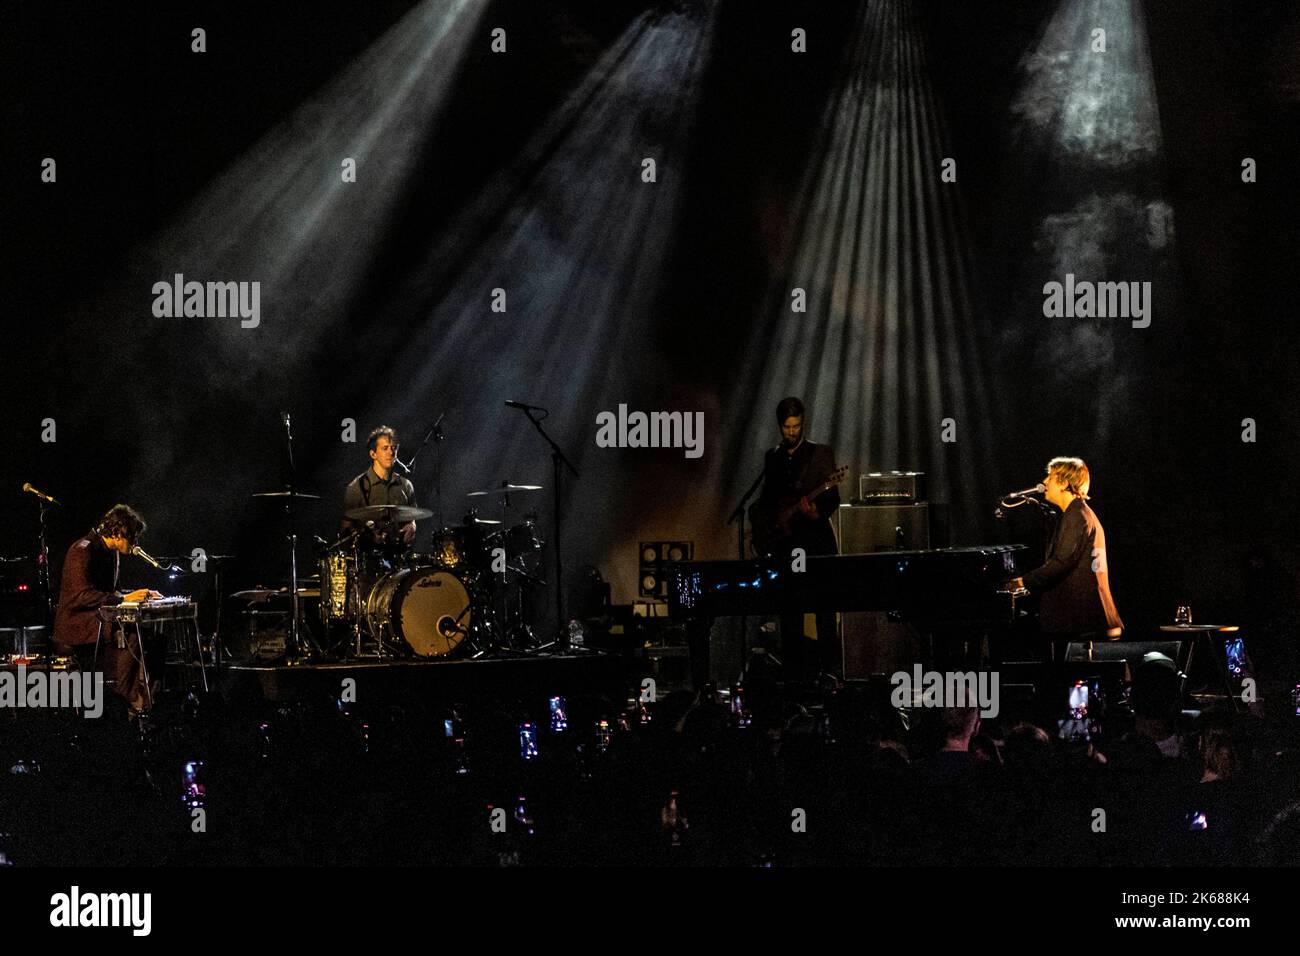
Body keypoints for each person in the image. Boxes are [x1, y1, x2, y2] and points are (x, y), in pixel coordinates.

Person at [750, 397, 841, 680]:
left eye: (797, 426)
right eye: (788, 427)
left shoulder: (820, 453)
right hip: (786, 544)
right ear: (780, 426)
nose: (792, 432)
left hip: (815, 543)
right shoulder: (773, 457)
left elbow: (833, 498)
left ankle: (829, 675)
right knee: (790, 611)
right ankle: (794, 679)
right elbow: (767, 501)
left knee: (824, 610)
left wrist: (815, 513)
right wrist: (763, 524)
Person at [52, 504, 161, 714]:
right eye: (133, 537)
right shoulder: (82, 550)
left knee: (154, 633)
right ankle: (128, 697)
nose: (135, 543)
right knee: (133, 632)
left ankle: (148, 699)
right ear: (119, 532)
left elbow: (113, 592)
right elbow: (79, 597)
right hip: (78, 624)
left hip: (99, 616)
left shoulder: (112, 553)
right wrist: (123, 598)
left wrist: (139, 595)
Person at [1006, 457, 1123, 644]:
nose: (1044, 482)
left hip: (1085, 619)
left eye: (1050, 477)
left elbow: (1061, 563)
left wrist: (1021, 582)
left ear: (1064, 483)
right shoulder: (1078, 513)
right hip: (1087, 617)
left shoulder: (1077, 515)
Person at [341, 425, 418, 551]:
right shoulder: (356, 487)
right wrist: (367, 537)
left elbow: (412, 519)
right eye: (385, 448)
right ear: (373, 454)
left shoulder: (406, 485)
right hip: (370, 559)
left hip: (401, 558)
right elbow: (345, 530)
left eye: (394, 448)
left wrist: (412, 526)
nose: (391, 452)